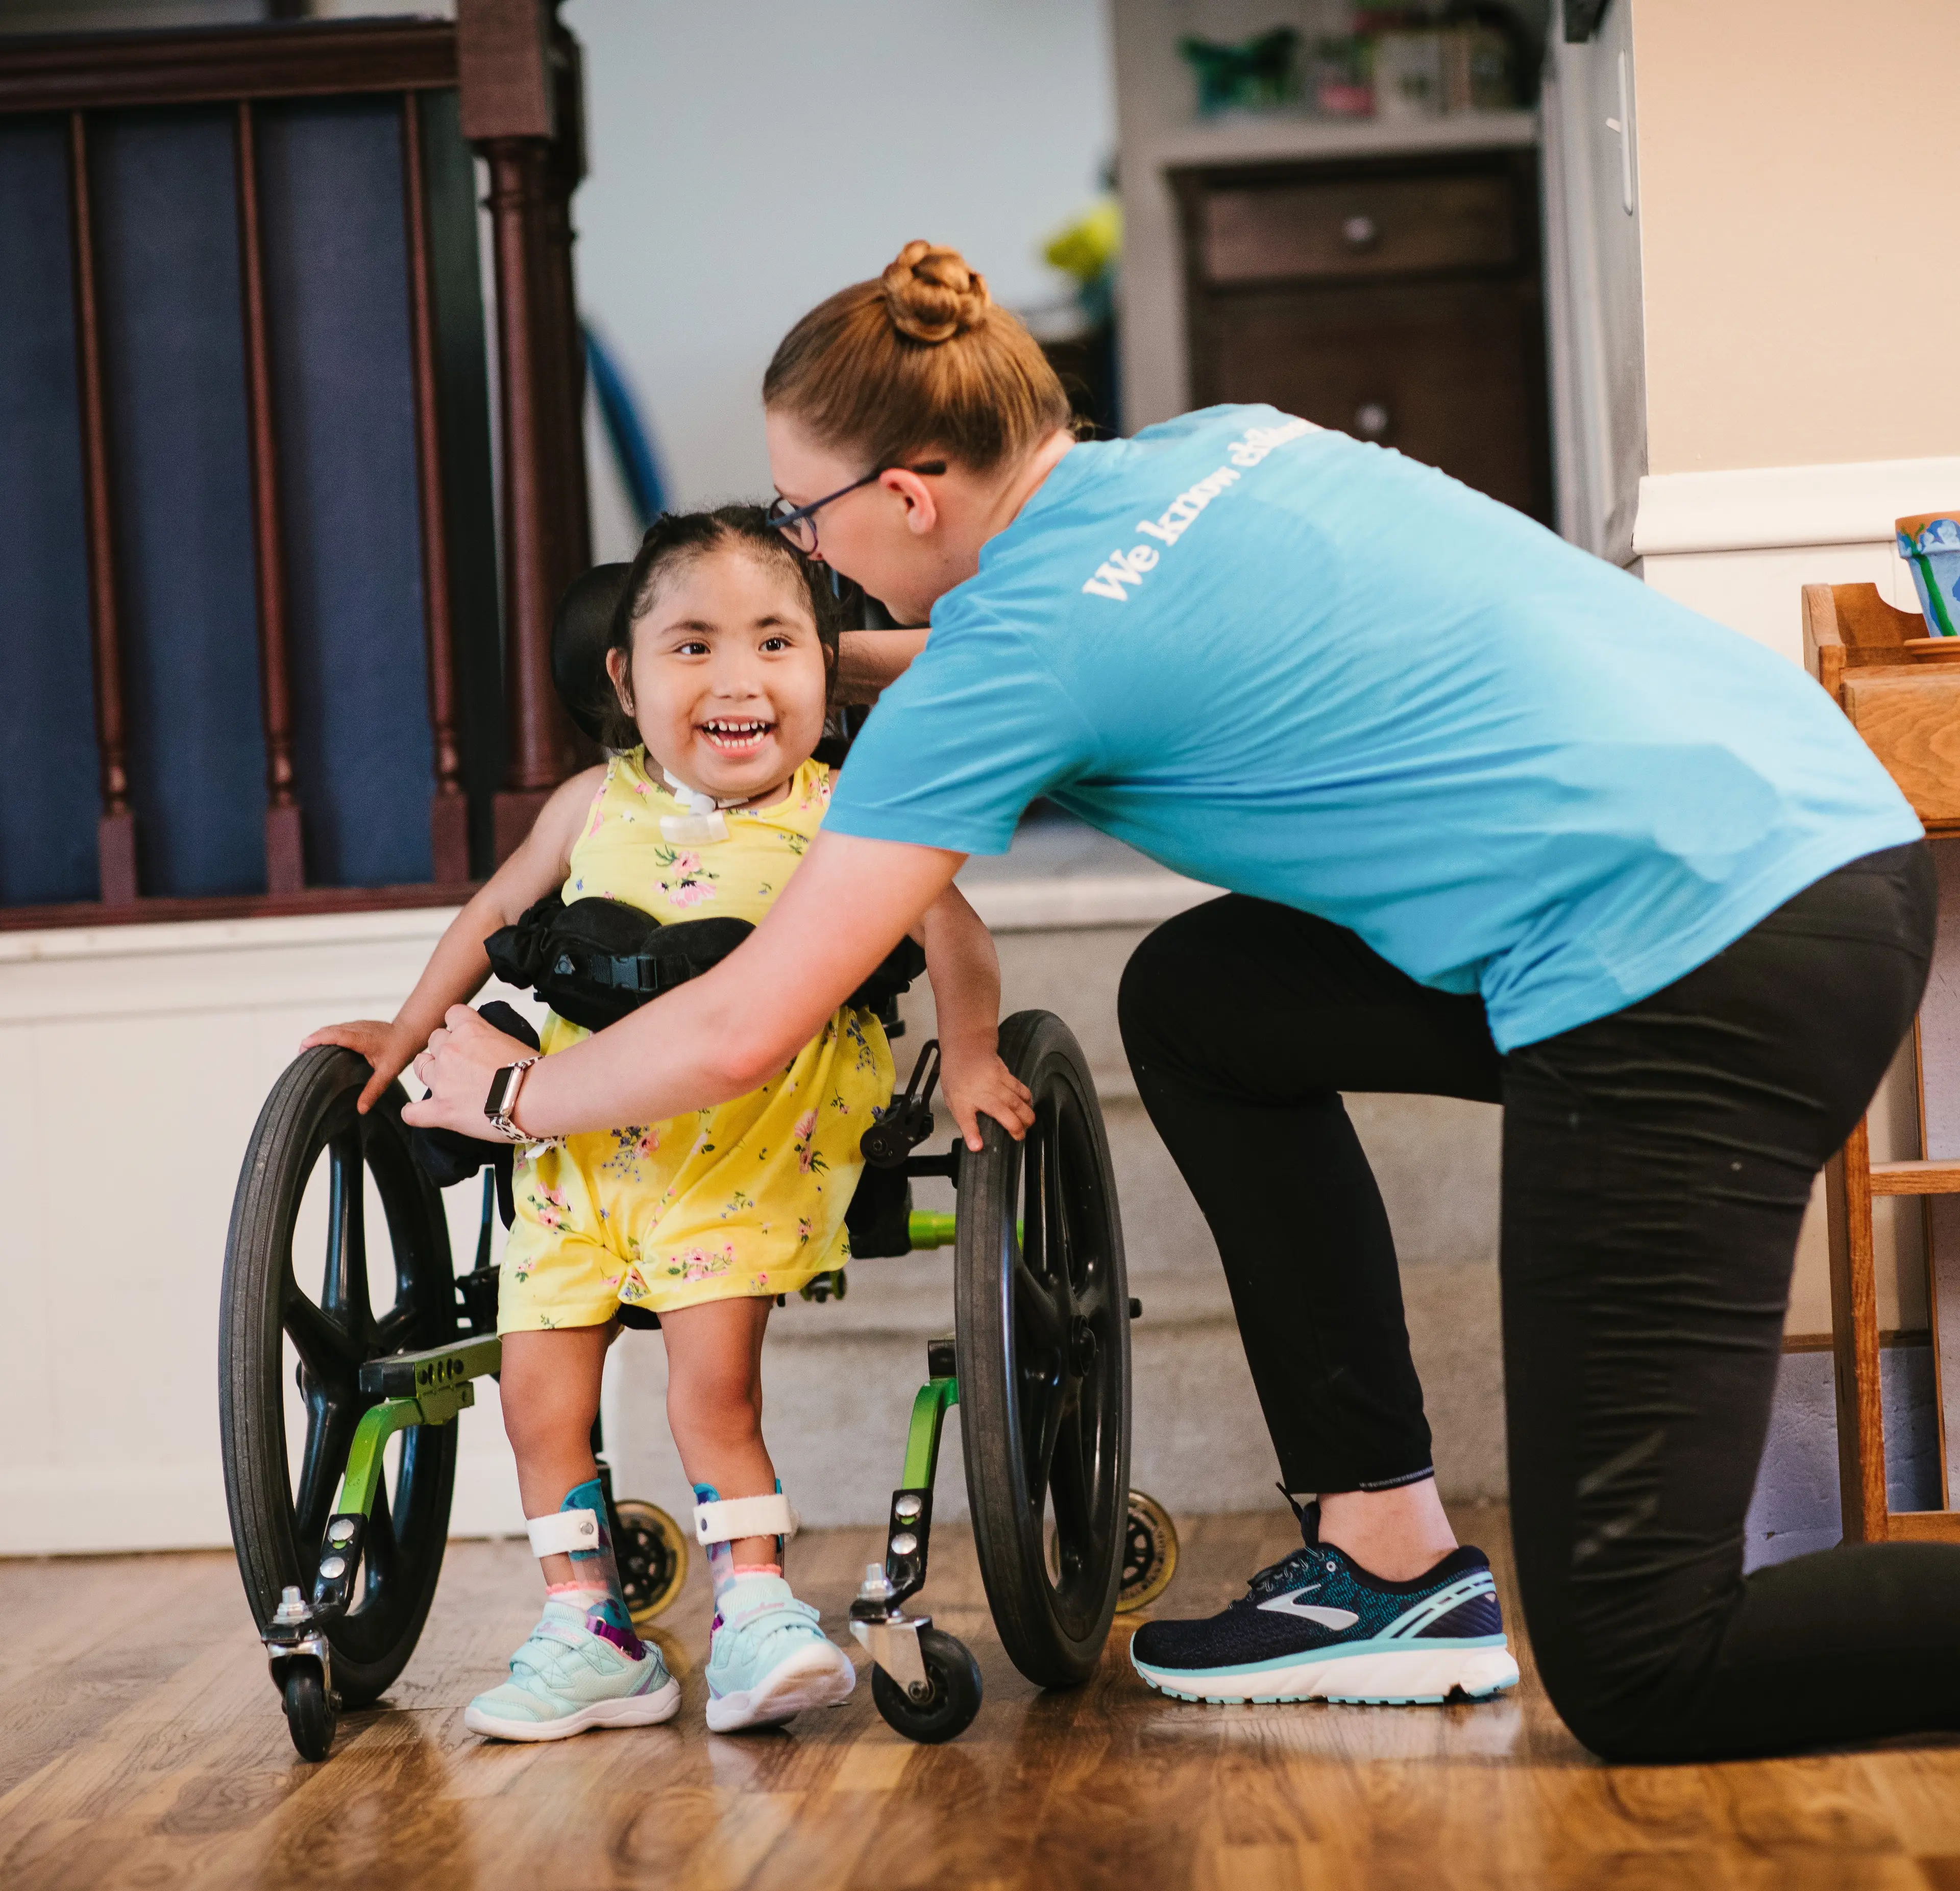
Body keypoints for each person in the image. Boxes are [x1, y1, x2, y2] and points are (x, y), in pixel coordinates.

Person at [405, 242, 1950, 1763]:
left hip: (1692, 971)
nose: (812, 552)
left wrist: (512, 1094)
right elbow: (1068, 638)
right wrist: (792, 662)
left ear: (910, 496)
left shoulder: (1007, 672)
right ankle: (1388, 1560)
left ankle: (1488, 1601)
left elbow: (748, 1021)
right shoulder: (1222, 447)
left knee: (1645, 1665)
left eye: (804, 525)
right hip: (1833, 852)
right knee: (1209, 1003)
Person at [309, 505, 1030, 1740]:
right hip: (576, 1153)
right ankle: (589, 1631)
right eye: (693, 646)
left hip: (749, 1149)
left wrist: (966, 1052)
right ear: (625, 677)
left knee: (712, 1396)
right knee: (539, 1404)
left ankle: (755, 1612)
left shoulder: (844, 812)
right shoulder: (591, 806)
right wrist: (405, 1026)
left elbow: (956, 936)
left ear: (826, 671)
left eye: (776, 644)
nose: (738, 680)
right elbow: (491, 917)